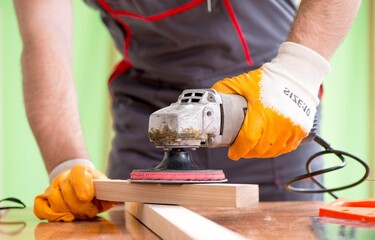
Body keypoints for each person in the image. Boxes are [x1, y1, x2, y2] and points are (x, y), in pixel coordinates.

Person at [14, 0, 361, 221]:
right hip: (146, 108)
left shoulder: (276, 93)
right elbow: (45, 33)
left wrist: (295, 78)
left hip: (265, 102)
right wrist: (67, 164)